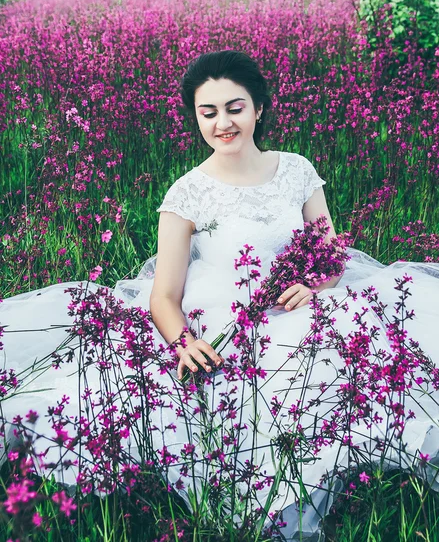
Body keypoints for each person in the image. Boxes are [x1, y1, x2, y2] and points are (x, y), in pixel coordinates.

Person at [1, 50, 439, 540]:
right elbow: (164, 296)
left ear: (258, 109)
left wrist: (315, 284)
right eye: (208, 113)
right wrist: (184, 343)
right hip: (218, 316)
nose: (223, 123)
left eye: (235, 108)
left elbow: (330, 250)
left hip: (299, 303)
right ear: (196, 118)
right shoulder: (187, 193)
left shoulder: (295, 169)